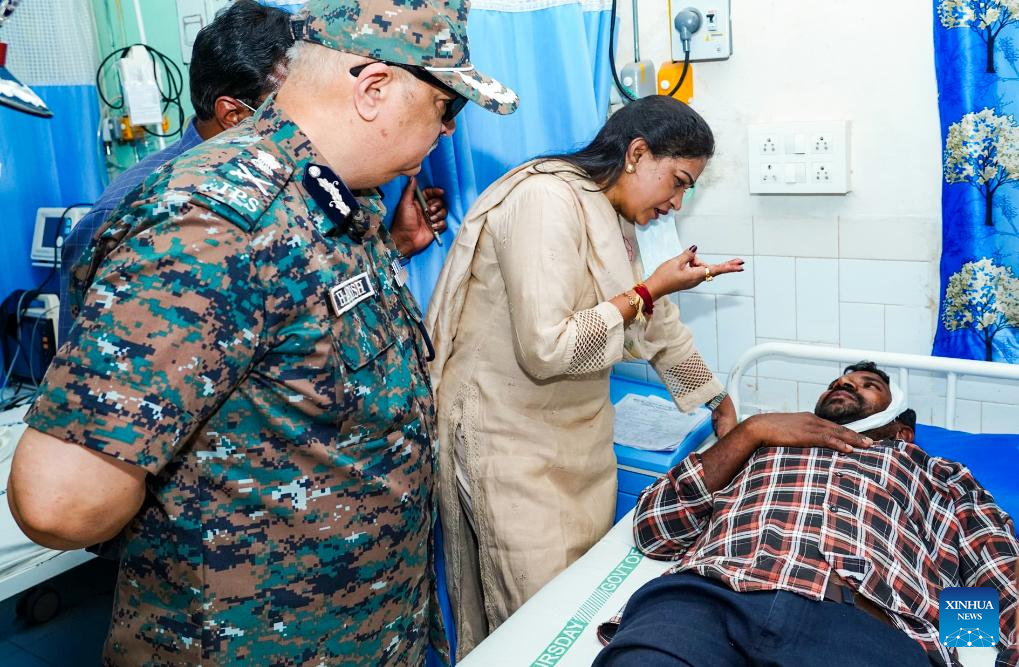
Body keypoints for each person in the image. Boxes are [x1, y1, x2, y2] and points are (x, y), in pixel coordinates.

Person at [7, 0, 517, 664]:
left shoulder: (334, 196)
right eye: (447, 107)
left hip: (362, 631)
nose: (447, 131)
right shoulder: (214, 222)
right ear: (373, 88)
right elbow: (60, 502)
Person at [425, 94, 744, 656]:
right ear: (637, 153)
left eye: (687, 190)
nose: (676, 202)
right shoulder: (544, 199)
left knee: (579, 604)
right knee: (531, 616)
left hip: (574, 439)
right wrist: (649, 289)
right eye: (677, 182)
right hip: (507, 436)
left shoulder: (613, 216)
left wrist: (717, 403)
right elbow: (548, 348)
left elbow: (654, 322)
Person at [58, 0, 448, 343]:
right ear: (233, 114)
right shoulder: (155, 213)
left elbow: (301, 309)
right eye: (289, 102)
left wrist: (397, 245)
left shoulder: (304, 181)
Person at [595, 362, 1019, 667]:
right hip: (708, 603)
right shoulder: (759, 444)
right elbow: (653, 532)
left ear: (901, 430)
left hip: (866, 629)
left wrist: (974, 645)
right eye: (839, 382)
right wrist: (751, 431)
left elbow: (998, 569)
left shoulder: (935, 473)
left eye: (868, 385)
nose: (845, 384)